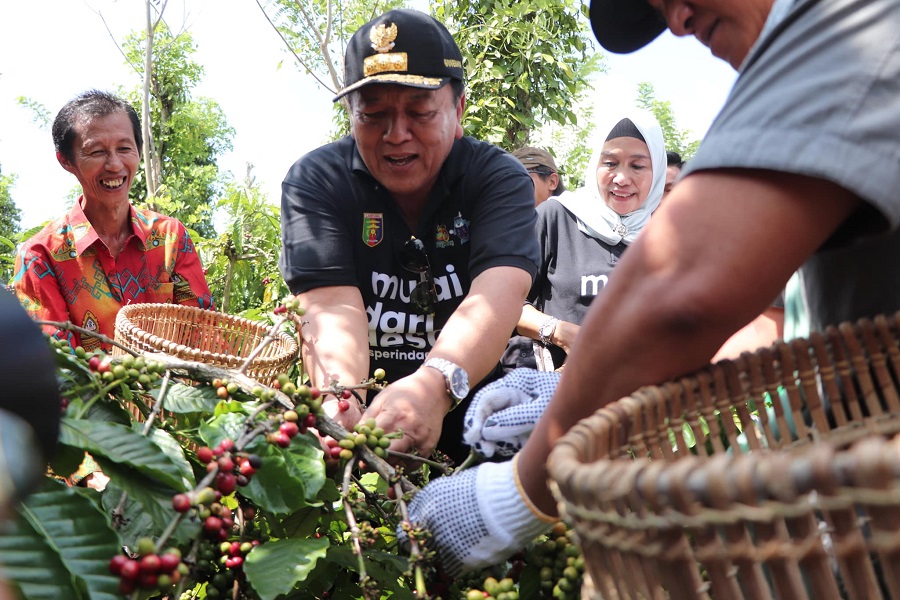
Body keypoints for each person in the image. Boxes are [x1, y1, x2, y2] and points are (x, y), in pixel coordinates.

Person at [405, 0, 900, 575]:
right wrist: (589, 394)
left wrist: (518, 493)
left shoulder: (849, 27)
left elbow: (682, 295)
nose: (679, 21)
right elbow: (776, 331)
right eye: (662, 9)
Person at [278, 9, 539, 465]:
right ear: (351, 115)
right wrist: (342, 399)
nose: (396, 135)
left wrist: (435, 385)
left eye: (420, 112)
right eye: (372, 114)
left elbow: (500, 290)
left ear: (458, 109)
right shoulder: (317, 182)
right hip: (371, 418)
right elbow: (332, 307)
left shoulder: (497, 179)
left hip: (477, 421)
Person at [10, 90, 214, 354]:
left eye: (124, 148)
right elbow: (59, 363)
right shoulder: (40, 257)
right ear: (66, 161)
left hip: (177, 382)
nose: (115, 165)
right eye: (97, 152)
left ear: (139, 151)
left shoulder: (171, 238)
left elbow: (203, 334)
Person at [515, 111, 665, 372]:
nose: (621, 178)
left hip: (643, 390)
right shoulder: (557, 218)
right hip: (560, 388)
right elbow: (507, 302)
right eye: (610, 163)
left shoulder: (666, 232)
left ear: (657, 171)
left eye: (637, 166)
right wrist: (559, 333)